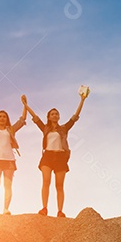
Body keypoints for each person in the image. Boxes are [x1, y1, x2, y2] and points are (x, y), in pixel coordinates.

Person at [22, 88, 88, 217]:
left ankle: (60, 211)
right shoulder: (45, 128)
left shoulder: (64, 128)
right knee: (46, 182)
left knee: (59, 185)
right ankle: (44, 208)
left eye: (56, 114)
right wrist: (25, 105)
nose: (55, 115)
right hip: (47, 156)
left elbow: (75, 117)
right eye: (52, 114)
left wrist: (82, 100)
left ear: (58, 117)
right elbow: (34, 118)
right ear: (48, 117)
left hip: (60, 157)